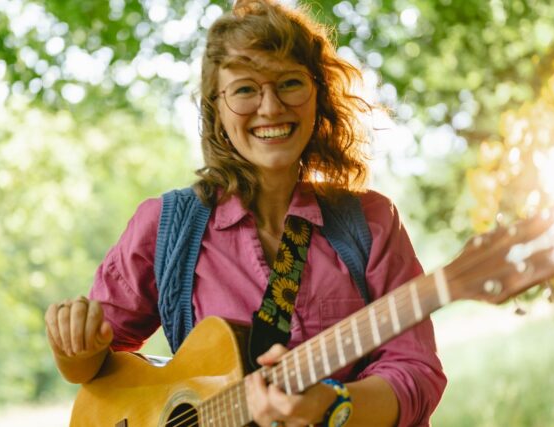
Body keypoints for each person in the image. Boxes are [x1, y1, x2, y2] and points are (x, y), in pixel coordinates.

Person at [44, 0, 446, 425]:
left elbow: (415, 373)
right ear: (217, 109)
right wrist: (72, 348)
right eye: (245, 89)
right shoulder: (165, 227)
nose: (270, 107)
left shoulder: (370, 223)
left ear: (318, 94)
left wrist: (331, 408)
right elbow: (91, 370)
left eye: (289, 83)